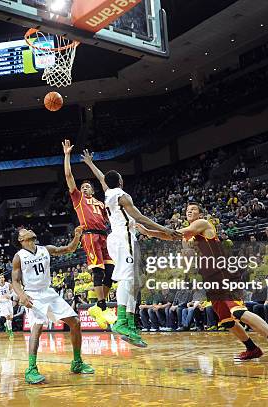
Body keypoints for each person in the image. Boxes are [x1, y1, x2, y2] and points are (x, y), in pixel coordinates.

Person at [138, 203, 268, 361]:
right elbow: (170, 236)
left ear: (199, 214)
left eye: (193, 209)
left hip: (222, 273)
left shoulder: (202, 224)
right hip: (209, 279)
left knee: (237, 311)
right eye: (187, 210)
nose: (189, 211)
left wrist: (150, 226)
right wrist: (147, 232)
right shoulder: (187, 238)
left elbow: (173, 232)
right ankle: (252, 349)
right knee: (227, 320)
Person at [83, 149, 178, 347]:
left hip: (118, 239)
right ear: (121, 182)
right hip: (123, 238)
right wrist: (165, 229)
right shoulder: (122, 196)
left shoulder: (108, 192)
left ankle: (130, 323)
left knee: (137, 281)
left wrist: (91, 164)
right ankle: (122, 321)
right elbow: (140, 218)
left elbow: (102, 178)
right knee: (128, 279)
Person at [11, 225, 94, 384]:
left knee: (75, 322)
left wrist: (76, 236)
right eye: (25, 231)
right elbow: (15, 281)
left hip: (48, 293)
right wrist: (22, 295)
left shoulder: (45, 249)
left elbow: (70, 249)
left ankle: (77, 363)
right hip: (33, 295)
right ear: (21, 239)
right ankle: (31, 369)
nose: (30, 230)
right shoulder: (19, 257)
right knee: (38, 326)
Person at [63, 140, 117, 330]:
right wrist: (67, 155)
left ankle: (100, 305)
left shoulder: (101, 203)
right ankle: (101, 306)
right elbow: (69, 176)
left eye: (87, 186)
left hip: (104, 236)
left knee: (112, 272)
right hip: (90, 236)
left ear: (92, 190)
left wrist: (90, 163)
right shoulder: (78, 199)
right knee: (98, 271)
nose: (84, 188)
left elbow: (105, 182)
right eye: (82, 186)